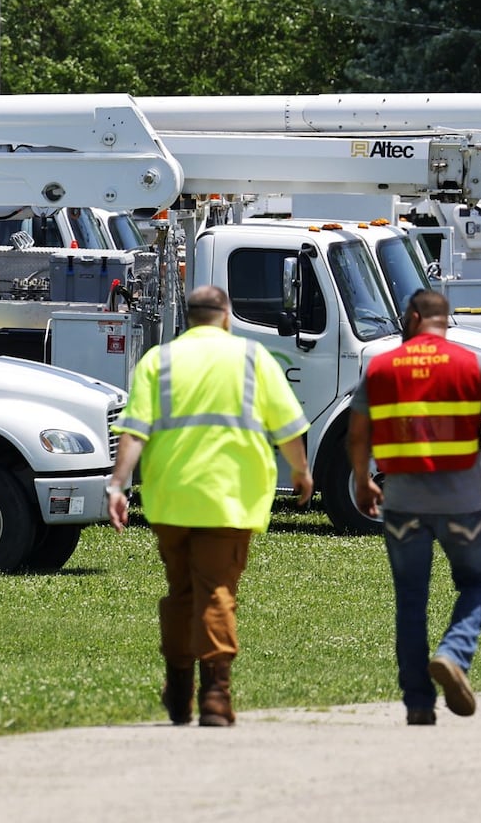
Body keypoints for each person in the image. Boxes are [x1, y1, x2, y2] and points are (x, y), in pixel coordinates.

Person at [107, 285, 313, 728]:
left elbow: (134, 430)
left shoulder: (157, 362)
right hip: (229, 500)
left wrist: (118, 485)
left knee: (182, 593)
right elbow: (288, 426)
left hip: (170, 500)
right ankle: (216, 695)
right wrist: (301, 471)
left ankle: (179, 690)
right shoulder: (253, 359)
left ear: (188, 317)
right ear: (226, 316)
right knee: (217, 592)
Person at [348, 289, 481, 726]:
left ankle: (419, 705)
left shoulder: (381, 367)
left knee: (410, 600)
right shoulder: (475, 365)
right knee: (477, 583)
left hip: (403, 500)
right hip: (461, 501)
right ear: (445, 321)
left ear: (412, 317)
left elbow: (357, 433)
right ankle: (452, 654)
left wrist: (363, 479)